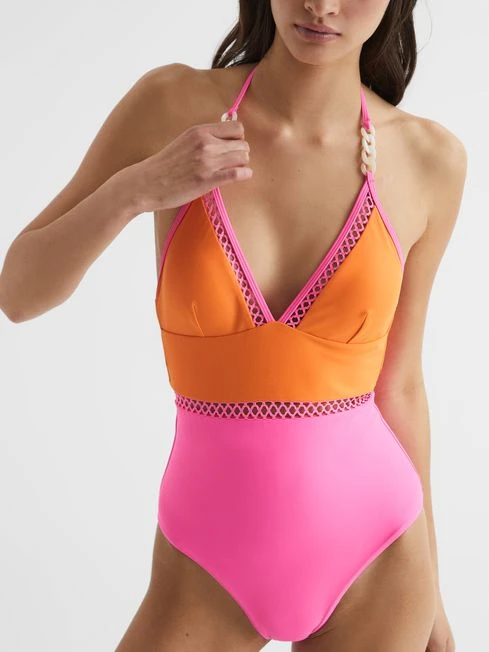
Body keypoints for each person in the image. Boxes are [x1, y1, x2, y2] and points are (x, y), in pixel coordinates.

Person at [0, 1, 466, 650]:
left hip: (380, 558)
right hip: (202, 565)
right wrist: (137, 190)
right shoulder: (170, 105)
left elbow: (401, 385)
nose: (321, 5)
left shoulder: (429, 158)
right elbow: (19, 293)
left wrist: (434, 593)